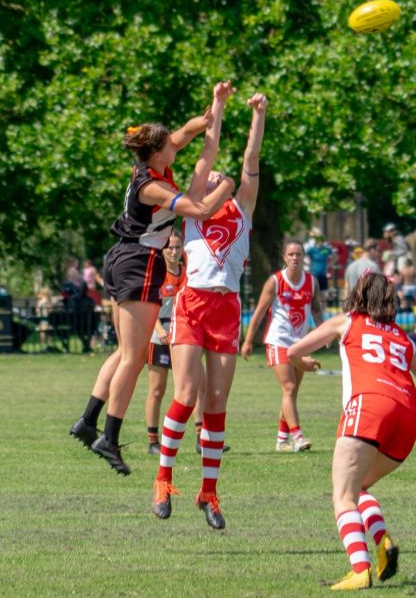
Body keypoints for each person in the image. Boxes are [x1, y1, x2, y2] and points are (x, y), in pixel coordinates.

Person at [69, 80, 237, 475]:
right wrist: (226, 188)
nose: (176, 147)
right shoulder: (153, 185)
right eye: (171, 146)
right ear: (159, 151)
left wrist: (217, 104)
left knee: (125, 350)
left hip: (123, 258)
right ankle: (108, 438)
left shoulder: (156, 160)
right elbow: (196, 209)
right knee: (135, 356)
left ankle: (88, 419)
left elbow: (194, 129)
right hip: (138, 261)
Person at [150, 91, 267, 529]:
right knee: (185, 394)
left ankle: (209, 493)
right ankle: (163, 480)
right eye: (210, 173)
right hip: (193, 301)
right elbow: (209, 147)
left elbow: (251, 159)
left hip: (227, 306)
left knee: (217, 402)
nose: (216, 173)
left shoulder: (242, 207)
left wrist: (259, 115)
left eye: (221, 175)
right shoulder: (196, 203)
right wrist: (217, 104)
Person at [286, 272, 416, 590]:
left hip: (369, 408)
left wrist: (303, 364)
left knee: (342, 496)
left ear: (359, 294)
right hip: (407, 417)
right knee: (359, 487)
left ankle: (360, 570)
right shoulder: (403, 337)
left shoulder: (348, 321)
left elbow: (293, 351)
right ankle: (382, 542)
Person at [241, 238, 325, 452]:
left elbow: (315, 310)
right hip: (278, 341)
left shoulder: (311, 282)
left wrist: (324, 334)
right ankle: (297, 437)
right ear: (284, 258)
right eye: (291, 255)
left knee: (292, 392)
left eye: (298, 254)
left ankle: (281, 440)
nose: (295, 258)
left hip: (299, 344)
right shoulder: (275, 281)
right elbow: (259, 311)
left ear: (304, 257)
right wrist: (249, 340)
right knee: (288, 388)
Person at [144, 233, 186, 455]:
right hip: (159, 335)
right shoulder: (157, 273)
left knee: (189, 387)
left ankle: (201, 437)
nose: (173, 251)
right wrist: (160, 331)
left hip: (182, 334)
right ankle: (153, 440)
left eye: (177, 247)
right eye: (169, 247)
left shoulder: (187, 272)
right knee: (158, 389)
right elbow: (149, 307)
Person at [305, 227, 334, 296]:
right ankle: (314, 306)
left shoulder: (326, 249)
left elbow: (336, 257)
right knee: (313, 294)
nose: (321, 242)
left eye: (322, 240)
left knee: (323, 294)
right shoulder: (312, 249)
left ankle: (323, 307)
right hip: (314, 274)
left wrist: (329, 264)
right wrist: (308, 264)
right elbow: (303, 255)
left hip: (323, 274)